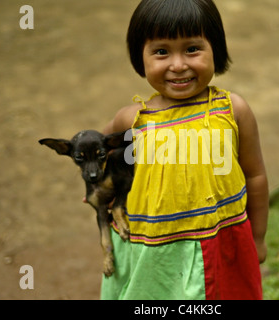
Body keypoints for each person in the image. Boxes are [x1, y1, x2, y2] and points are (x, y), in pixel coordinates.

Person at [100, 0, 268, 300]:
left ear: (216, 48)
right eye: (161, 51)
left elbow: (254, 175)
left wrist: (258, 238)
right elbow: (103, 159)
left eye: (192, 49)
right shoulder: (132, 121)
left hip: (221, 244)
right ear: (141, 57)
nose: (178, 65)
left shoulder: (233, 111)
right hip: (153, 254)